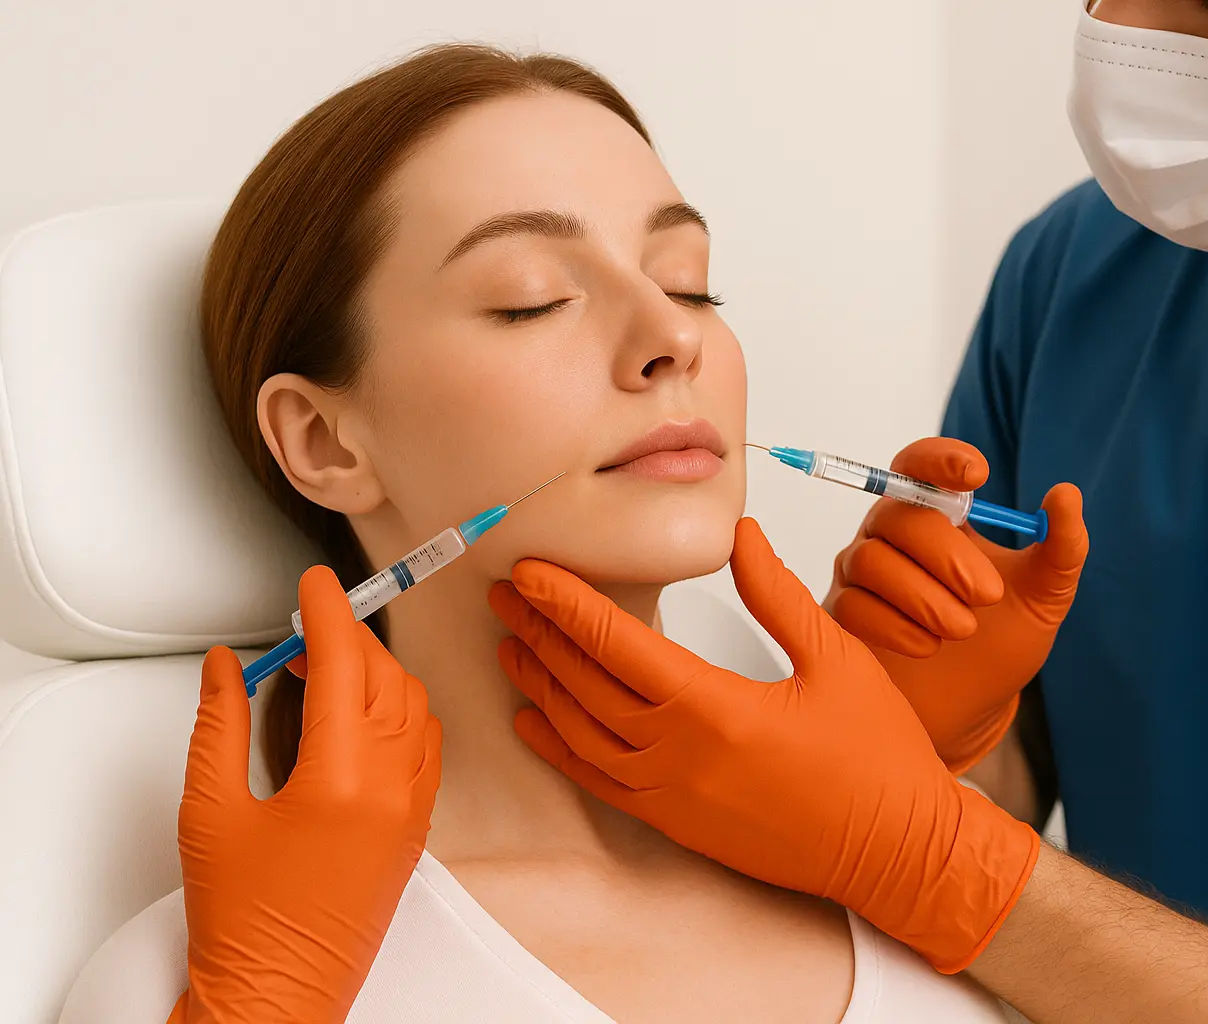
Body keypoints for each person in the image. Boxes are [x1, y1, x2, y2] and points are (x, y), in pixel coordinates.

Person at [498, 0, 1208, 1019]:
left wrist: (941, 861)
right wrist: (936, 733)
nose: (1132, 31)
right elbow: (1000, 791)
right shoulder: (1081, 276)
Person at [57, 45, 1019, 1024]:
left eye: (689, 283)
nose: (673, 336)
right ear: (323, 441)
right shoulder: (216, 981)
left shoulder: (923, 877)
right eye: (532, 299)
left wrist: (946, 783)